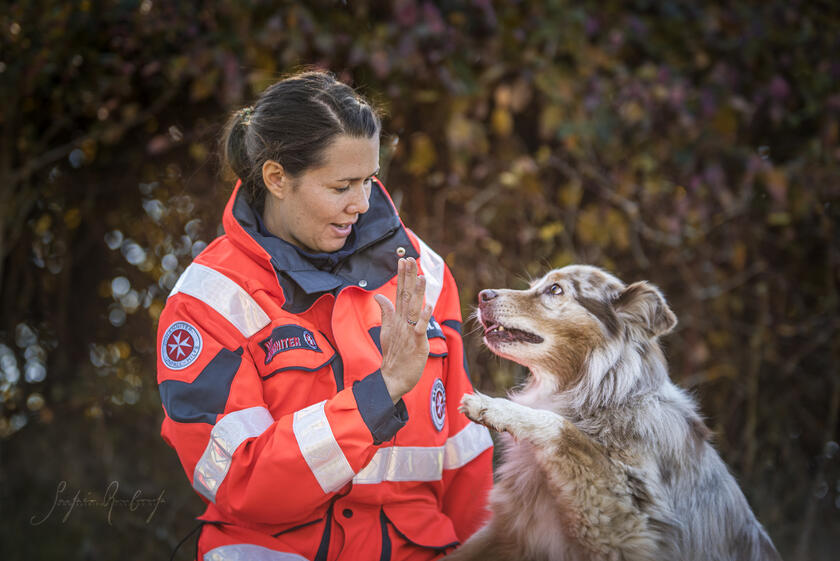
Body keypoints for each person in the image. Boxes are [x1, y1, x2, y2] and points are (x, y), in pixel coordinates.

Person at [156, 70, 494, 561]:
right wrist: (380, 393)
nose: (362, 203)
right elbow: (241, 482)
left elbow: (466, 458)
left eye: (370, 180)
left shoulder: (425, 273)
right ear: (276, 179)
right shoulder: (208, 302)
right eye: (342, 186)